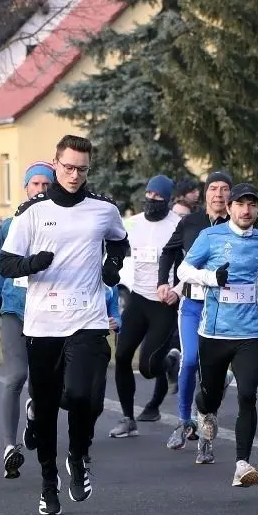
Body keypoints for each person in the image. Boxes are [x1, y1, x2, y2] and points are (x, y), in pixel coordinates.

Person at [0, 134, 129, 515]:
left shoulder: (102, 209)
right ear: (56, 164)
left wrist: (112, 266)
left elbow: (120, 242)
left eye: (82, 169)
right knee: (51, 407)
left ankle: (78, 455)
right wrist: (33, 264)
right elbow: (7, 264)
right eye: (68, 167)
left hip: (87, 318)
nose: (74, 175)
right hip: (43, 324)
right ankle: (47, 482)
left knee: (85, 398)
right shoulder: (32, 211)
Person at [176, 183, 258, 486]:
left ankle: (242, 464)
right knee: (210, 394)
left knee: (248, 395)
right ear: (230, 207)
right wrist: (211, 278)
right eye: (240, 204)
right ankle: (204, 410)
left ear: (257, 210)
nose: (246, 210)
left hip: (248, 335)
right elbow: (183, 271)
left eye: (252, 205)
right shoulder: (210, 237)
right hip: (214, 333)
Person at [0, 161, 54, 479]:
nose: (40, 189)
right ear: (26, 188)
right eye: (35, 184)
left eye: (46, 185)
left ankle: (35, 414)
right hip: (14, 308)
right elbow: (2, 261)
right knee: (15, 378)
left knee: (44, 384)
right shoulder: (11, 225)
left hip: (48, 311)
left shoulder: (59, 224)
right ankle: (10, 447)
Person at [158, 171, 233, 457]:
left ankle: (206, 437)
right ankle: (183, 421)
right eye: (213, 188)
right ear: (204, 193)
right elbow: (168, 252)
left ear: (231, 195)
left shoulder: (237, 224)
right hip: (191, 305)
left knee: (210, 373)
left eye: (224, 189)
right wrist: (162, 282)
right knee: (189, 361)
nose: (218, 194)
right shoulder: (191, 222)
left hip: (223, 309)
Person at [109, 174, 182, 436]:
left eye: (158, 197)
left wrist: (177, 290)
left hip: (164, 302)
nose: (152, 200)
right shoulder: (133, 223)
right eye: (149, 195)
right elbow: (113, 245)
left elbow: (190, 263)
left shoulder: (178, 225)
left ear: (168, 200)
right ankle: (128, 419)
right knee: (121, 356)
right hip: (138, 298)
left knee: (148, 367)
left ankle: (171, 363)